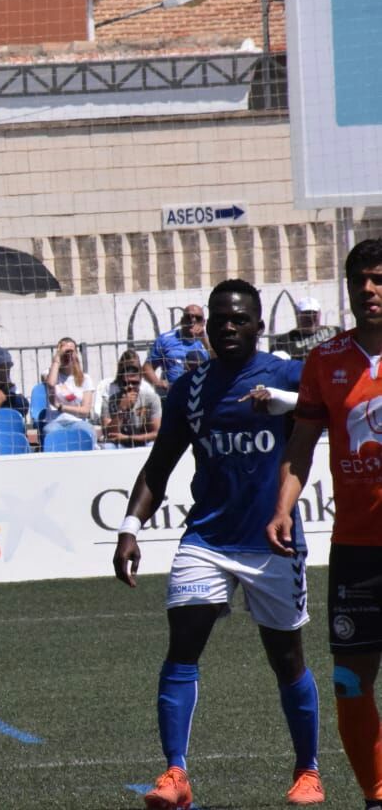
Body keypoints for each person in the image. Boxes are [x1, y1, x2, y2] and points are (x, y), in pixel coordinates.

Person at [115, 280, 321, 809]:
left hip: (272, 541)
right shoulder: (191, 388)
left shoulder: (284, 374)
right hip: (206, 538)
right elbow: (158, 467)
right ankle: (175, 773)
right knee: (182, 642)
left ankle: (307, 770)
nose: (227, 327)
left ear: (258, 325)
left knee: (286, 657)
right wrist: (129, 528)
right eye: (218, 319)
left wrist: (285, 402)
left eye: (239, 319)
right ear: (205, 324)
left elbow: (335, 406)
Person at [267, 238, 382, 810]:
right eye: (360, 278)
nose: (369, 289)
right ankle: (376, 795)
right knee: (350, 681)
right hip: (357, 549)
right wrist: (284, 505)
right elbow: (302, 444)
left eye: (379, 278)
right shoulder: (326, 360)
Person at [98, 350, 162, 448]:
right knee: (107, 447)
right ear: (120, 383)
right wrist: (121, 409)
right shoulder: (109, 401)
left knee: (153, 445)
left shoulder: (151, 399)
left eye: (134, 383)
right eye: (125, 383)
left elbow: (156, 433)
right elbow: (109, 434)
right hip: (119, 443)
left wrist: (128, 438)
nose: (130, 387)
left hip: (143, 440)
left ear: (140, 381)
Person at [41, 337, 98, 443]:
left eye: (71, 352)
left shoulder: (85, 378)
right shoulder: (48, 373)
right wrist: (58, 358)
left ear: (76, 354)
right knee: (50, 432)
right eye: (65, 352)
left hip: (77, 421)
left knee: (88, 432)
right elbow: (51, 384)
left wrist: (62, 407)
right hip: (55, 421)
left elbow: (85, 411)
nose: (68, 355)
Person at [144, 304, 210, 395]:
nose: (193, 320)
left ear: (203, 322)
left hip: (200, 394)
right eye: (188, 317)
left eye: (198, 318)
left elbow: (218, 363)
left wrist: (204, 339)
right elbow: (148, 367)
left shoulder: (209, 342)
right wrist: (157, 382)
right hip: (173, 394)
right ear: (182, 320)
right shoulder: (165, 339)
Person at [271, 297, 341, 362]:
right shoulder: (284, 341)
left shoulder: (335, 332)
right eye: (306, 314)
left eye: (314, 313)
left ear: (320, 314)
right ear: (298, 315)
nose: (310, 317)